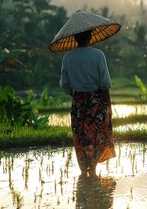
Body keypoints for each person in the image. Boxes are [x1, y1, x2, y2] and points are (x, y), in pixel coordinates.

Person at [50, 10, 121, 177]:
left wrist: (76, 96)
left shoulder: (68, 58)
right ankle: (93, 170)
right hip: (96, 102)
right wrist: (108, 106)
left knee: (81, 135)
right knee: (97, 134)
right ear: (90, 36)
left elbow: (65, 84)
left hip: (79, 103)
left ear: (74, 38)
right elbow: (104, 84)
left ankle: (84, 170)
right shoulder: (98, 55)